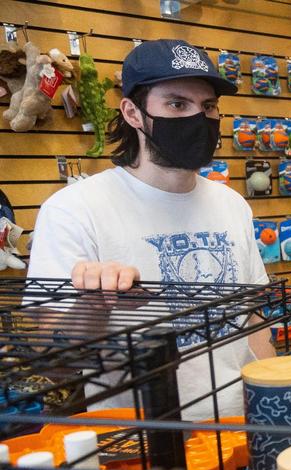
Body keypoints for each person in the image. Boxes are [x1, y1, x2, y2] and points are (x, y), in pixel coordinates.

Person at [26, 39, 274, 420]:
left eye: (208, 107)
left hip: (243, 434)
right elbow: (52, 363)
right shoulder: (75, 210)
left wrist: (273, 403)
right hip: (139, 450)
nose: (197, 118)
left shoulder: (232, 204)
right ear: (133, 113)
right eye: (177, 104)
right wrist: (94, 299)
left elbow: (252, 320)